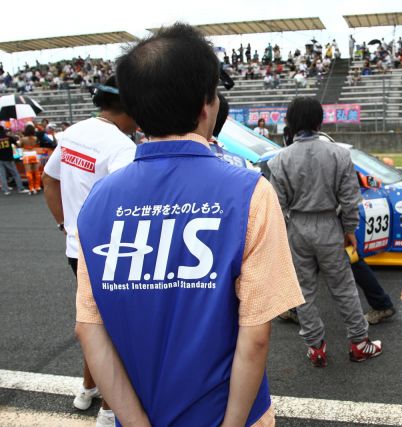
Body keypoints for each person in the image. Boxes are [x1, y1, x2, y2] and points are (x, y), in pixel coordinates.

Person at [74, 23, 303, 426]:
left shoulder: (98, 201)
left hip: (139, 413)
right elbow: (256, 335)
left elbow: (89, 331)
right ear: (206, 104)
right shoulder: (249, 192)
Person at [43, 76, 138, 427]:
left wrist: (65, 226)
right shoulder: (122, 148)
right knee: (114, 330)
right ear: (131, 107)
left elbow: (49, 179)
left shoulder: (74, 132)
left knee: (95, 322)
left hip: (76, 248)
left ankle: (88, 388)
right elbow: (126, 206)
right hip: (109, 252)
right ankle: (110, 410)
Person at [268, 97, 382, 368]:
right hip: (330, 226)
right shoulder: (339, 154)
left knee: (303, 292)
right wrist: (350, 229)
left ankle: (316, 347)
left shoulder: (279, 160)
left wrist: (286, 232)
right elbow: (350, 198)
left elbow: (277, 205)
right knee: (343, 288)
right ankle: (358, 343)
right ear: (319, 122)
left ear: (290, 123)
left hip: (297, 227)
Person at [0, 126, 29, 195]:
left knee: (2, 175)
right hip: (9, 158)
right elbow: (18, 145)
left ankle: (6, 190)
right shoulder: (9, 138)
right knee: (15, 174)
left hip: (0, 159)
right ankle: (20, 188)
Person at [18, 123, 41, 194]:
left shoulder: (23, 139)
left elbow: (19, 145)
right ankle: (37, 186)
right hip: (34, 154)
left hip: (26, 155)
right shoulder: (35, 138)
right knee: (36, 172)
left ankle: (31, 188)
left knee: (29, 172)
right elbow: (36, 144)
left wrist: (20, 138)